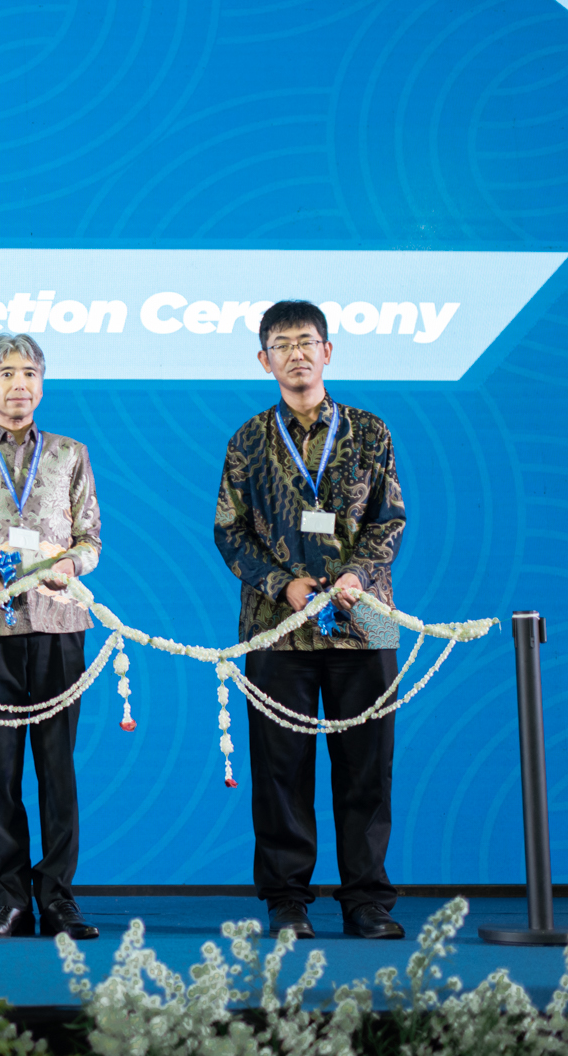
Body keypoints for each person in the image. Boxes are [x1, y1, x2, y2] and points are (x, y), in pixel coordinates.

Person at [214, 299, 408, 941]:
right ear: (263, 359)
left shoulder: (370, 432)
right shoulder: (247, 441)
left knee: (367, 767)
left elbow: (389, 519)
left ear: (328, 352)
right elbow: (229, 531)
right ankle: (287, 902)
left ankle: (367, 902)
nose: (296, 354)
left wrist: (356, 577)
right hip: (276, 625)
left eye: (306, 341)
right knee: (280, 770)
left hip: (365, 618)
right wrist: (283, 584)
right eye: (282, 344)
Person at [0, 333, 102, 941]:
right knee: (1, 769)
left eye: (29, 373)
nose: (19, 385)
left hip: (60, 625)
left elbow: (91, 539)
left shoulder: (70, 454)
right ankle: (9, 901)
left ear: (42, 384)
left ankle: (58, 899)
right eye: (6, 374)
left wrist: (71, 566)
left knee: (58, 768)